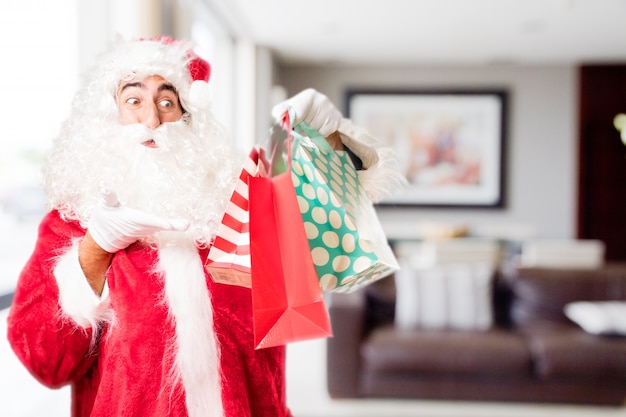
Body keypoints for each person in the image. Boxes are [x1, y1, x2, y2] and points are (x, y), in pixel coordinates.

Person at [6, 36, 405, 417]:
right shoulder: (71, 219)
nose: (152, 118)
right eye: (134, 99)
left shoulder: (237, 203)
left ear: (187, 116)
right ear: (107, 115)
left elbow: (332, 242)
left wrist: (331, 143)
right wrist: (95, 248)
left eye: (167, 100)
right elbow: (45, 361)